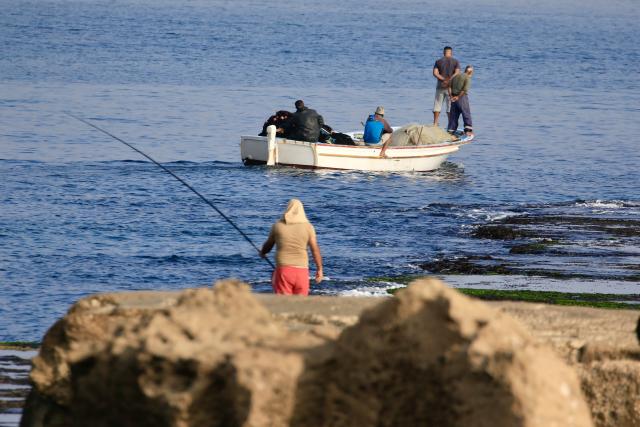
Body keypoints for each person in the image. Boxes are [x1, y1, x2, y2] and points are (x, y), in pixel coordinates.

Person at [260, 199, 323, 296]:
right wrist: (319, 269)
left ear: (287, 209)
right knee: (300, 304)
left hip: (283, 271)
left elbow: (268, 246)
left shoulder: (278, 226)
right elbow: (315, 250)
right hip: (302, 272)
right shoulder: (308, 227)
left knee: (284, 304)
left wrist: (263, 252)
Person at [432, 46, 460, 127]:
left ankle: (435, 123)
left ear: (444, 53)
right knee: (450, 107)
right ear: (451, 53)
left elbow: (435, 73)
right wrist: (450, 80)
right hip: (451, 88)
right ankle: (450, 124)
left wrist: (444, 79)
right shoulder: (455, 61)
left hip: (440, 86)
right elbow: (457, 73)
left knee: (437, 105)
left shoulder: (438, 61)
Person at [447, 65, 474, 137]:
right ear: (470, 72)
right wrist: (458, 97)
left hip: (453, 97)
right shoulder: (467, 78)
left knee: (453, 116)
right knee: (466, 113)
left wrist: (451, 96)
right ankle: (468, 130)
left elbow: (449, 86)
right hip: (461, 98)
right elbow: (464, 90)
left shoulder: (455, 76)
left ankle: (451, 131)